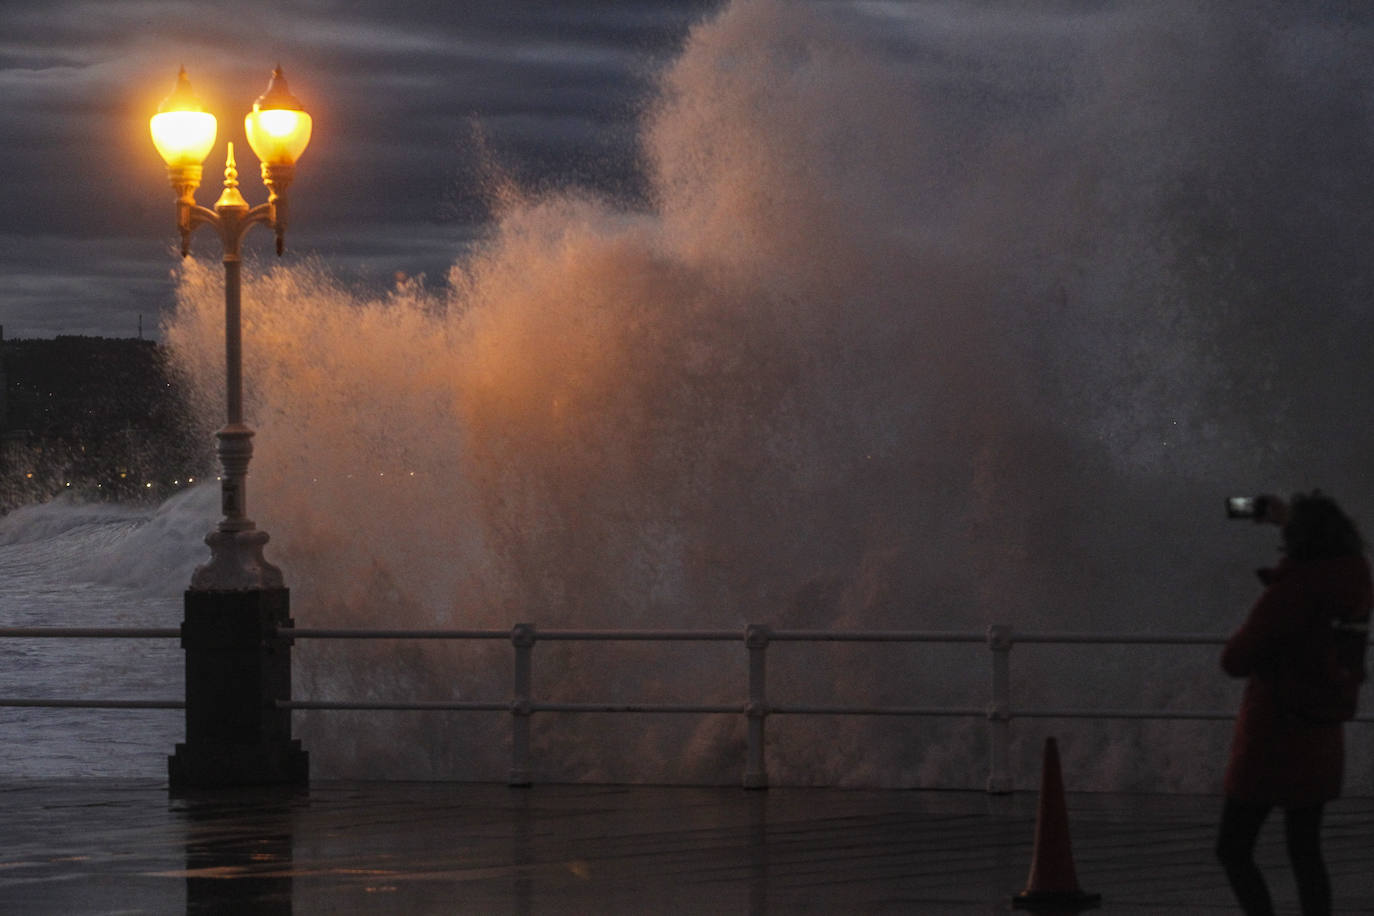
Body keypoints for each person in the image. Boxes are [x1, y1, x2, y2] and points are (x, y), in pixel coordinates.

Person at [1215, 491, 1372, 916]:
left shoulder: (1292, 592)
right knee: (1305, 851)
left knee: (1233, 847)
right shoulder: (1354, 579)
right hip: (1320, 734)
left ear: (1300, 540)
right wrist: (1283, 517)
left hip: (1274, 740)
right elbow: (1322, 560)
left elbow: (1234, 660)